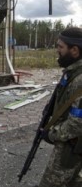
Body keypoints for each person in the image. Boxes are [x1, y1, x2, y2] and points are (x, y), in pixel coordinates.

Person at [38, 27, 82, 187]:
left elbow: (77, 123)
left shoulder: (80, 79)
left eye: (60, 47)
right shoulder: (72, 73)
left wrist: (51, 134)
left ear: (75, 50)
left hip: (72, 146)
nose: (57, 50)